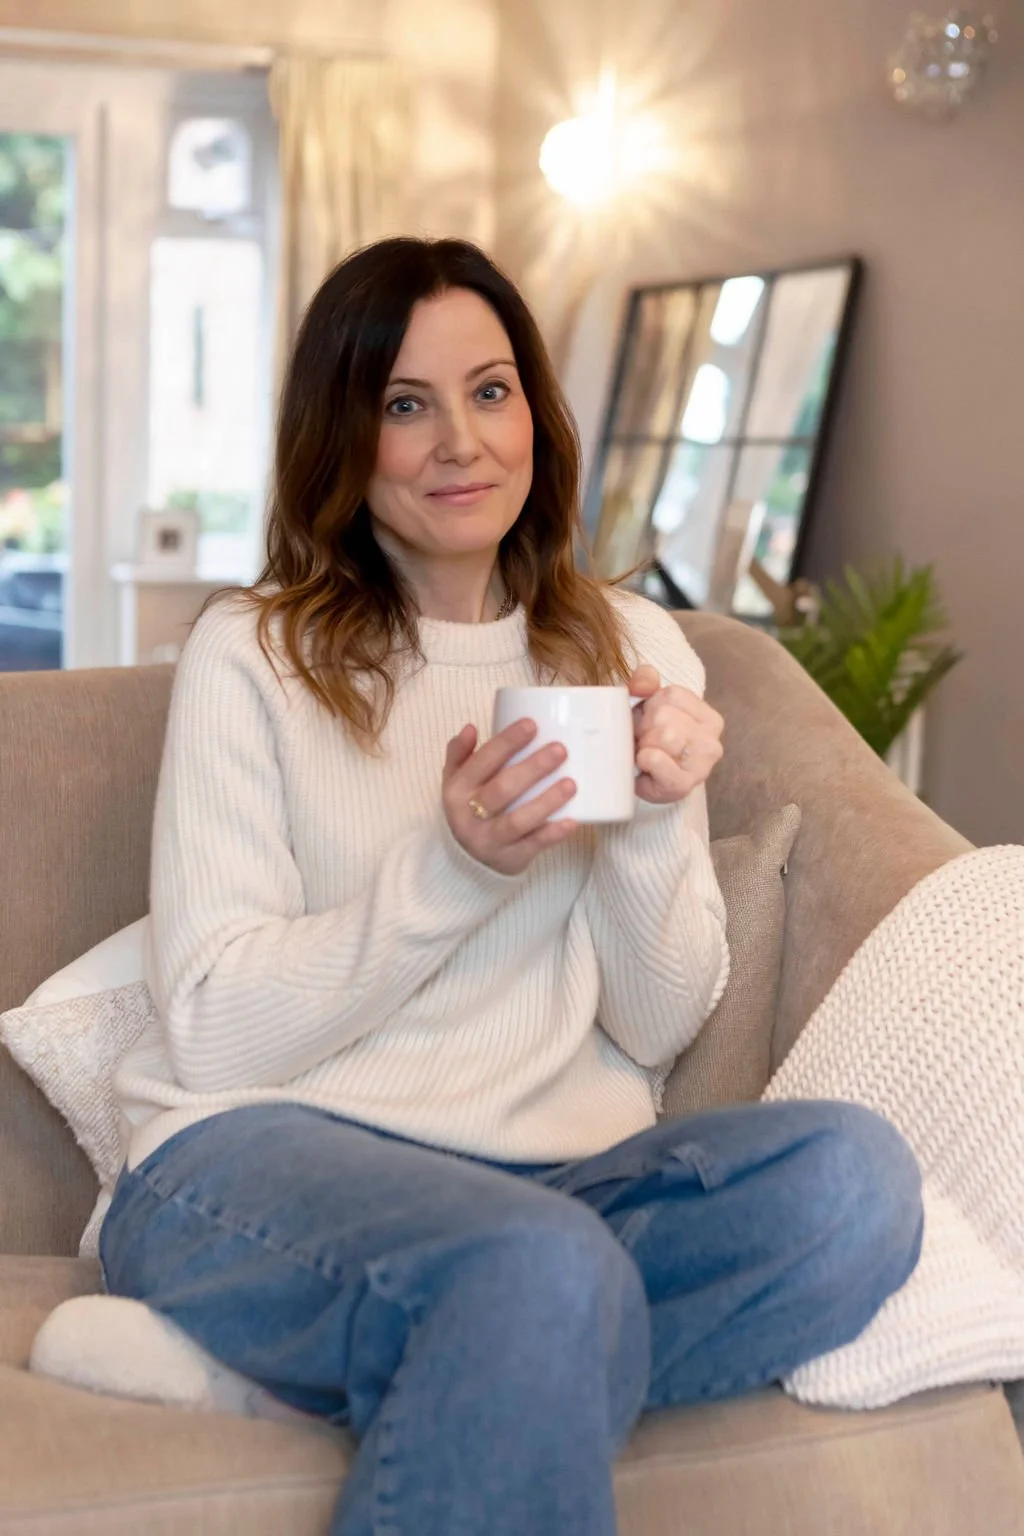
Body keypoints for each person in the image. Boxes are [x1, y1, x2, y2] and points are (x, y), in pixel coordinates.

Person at [102, 237, 923, 1536]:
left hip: (550, 1190)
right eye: (404, 405)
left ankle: (352, 1373)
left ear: (537, 412)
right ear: (344, 436)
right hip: (254, 1163)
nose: (458, 443)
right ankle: (469, 1335)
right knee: (535, 1273)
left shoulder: (631, 646)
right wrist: (453, 868)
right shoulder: (252, 654)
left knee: (855, 1182)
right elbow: (209, 1032)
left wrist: (653, 820)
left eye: (490, 392)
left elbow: (658, 1026)